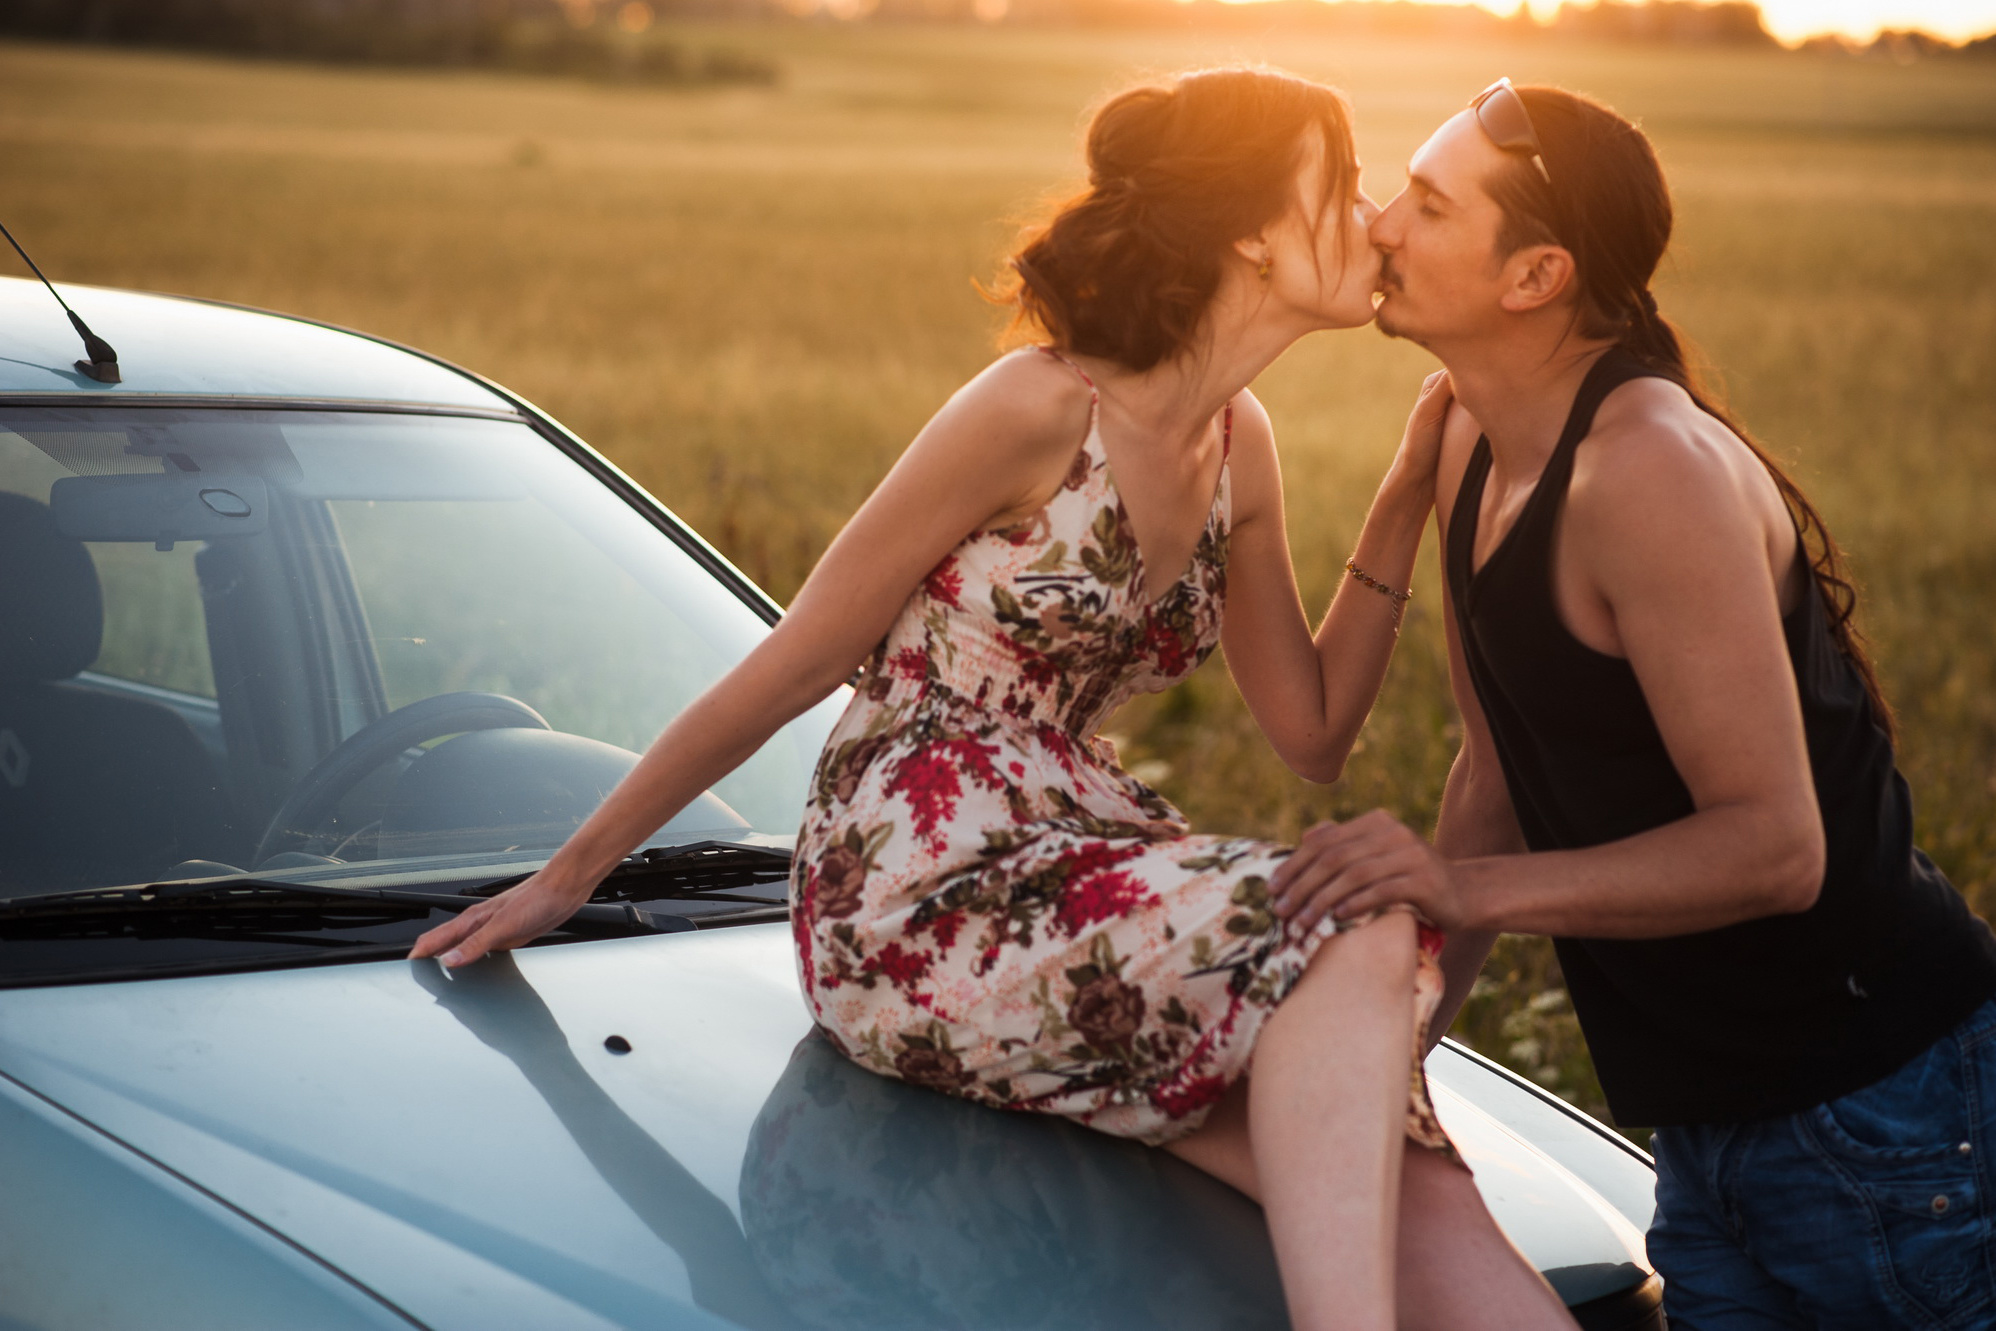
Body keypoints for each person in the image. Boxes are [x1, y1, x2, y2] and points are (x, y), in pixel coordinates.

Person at [412, 66, 1574, 1331]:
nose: (1372, 214)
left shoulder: (1242, 441)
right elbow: (800, 654)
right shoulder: (1033, 407)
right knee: (1351, 931)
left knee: (1407, 1169)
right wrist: (571, 873)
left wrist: (1404, 499)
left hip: (1073, 856)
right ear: (1248, 228)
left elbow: (1310, 729)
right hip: (915, 883)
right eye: (1337, 182)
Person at [1270, 79, 1996, 1329]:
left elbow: (1774, 846)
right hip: (1703, 1123)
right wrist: (1394, 1057)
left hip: (1885, 1116)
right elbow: (1495, 778)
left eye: (1430, 205)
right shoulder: (1468, 439)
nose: (1382, 222)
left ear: (1534, 275)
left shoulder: (1646, 469)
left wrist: (1458, 891)